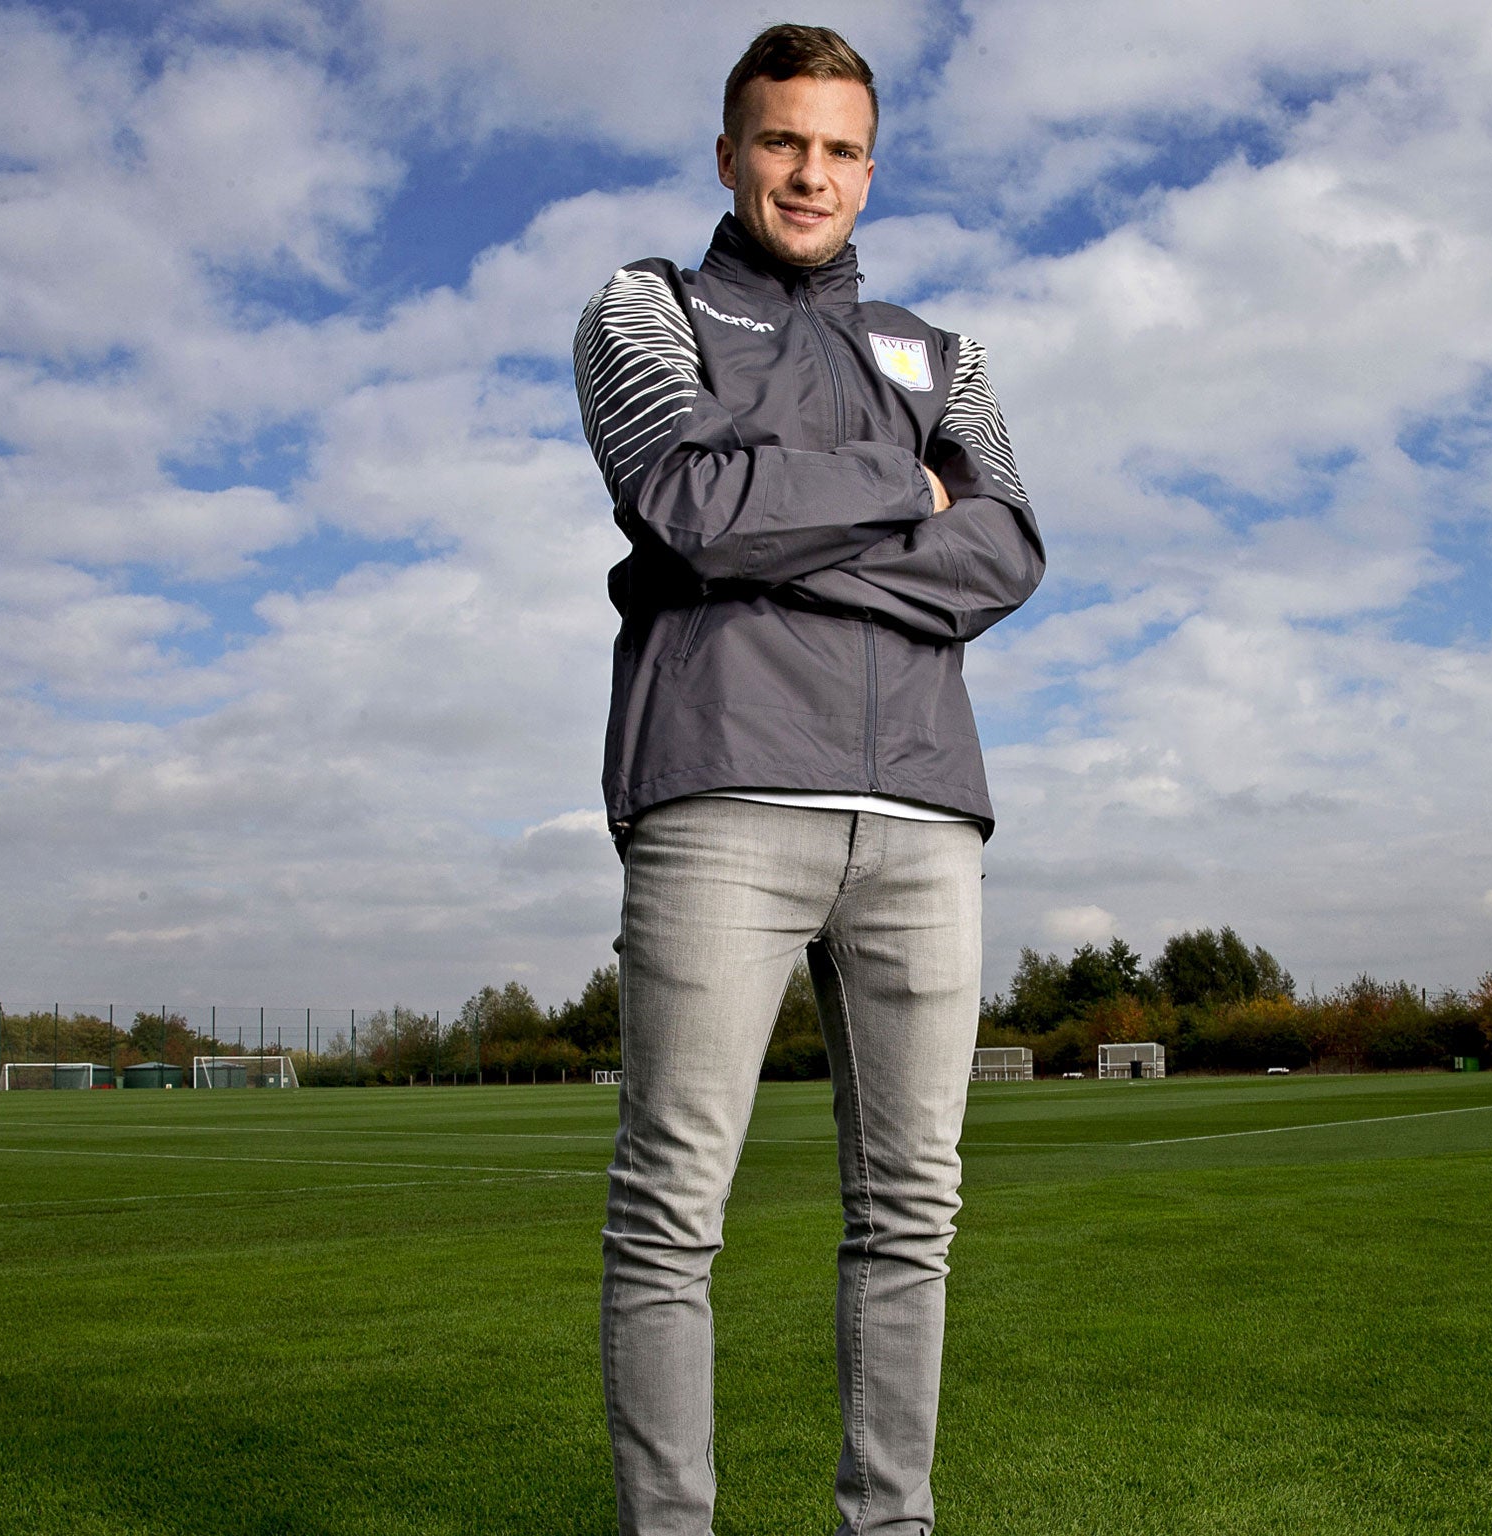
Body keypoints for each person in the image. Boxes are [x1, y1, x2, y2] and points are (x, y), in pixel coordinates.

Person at [571, 23, 1045, 1536]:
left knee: (911, 1217)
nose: (810, 173)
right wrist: (900, 494)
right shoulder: (646, 308)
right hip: (718, 800)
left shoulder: (940, 354)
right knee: (671, 1217)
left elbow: (1010, 551)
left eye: (840, 149)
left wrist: (782, 548)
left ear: (871, 168)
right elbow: (693, 507)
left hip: (925, 820)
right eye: (783, 141)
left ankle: (887, 1525)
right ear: (730, 152)